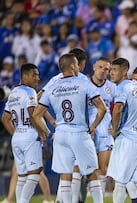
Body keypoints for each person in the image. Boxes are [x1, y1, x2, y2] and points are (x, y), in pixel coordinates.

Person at [32, 53, 106, 203]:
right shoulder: (83, 82)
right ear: (72, 66)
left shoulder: (52, 85)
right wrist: (93, 126)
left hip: (61, 134)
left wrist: (48, 131)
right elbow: (102, 108)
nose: (79, 67)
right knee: (92, 173)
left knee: (65, 175)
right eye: (77, 64)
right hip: (79, 133)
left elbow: (35, 115)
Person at [38, 48, 89, 203]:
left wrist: (51, 122)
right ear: (78, 64)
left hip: (60, 131)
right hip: (78, 130)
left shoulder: (55, 80)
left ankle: (61, 200)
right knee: (76, 170)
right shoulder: (82, 80)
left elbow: (38, 100)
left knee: (65, 170)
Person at [107, 58, 137, 203]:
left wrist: (114, 130)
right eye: (111, 70)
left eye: (115, 70)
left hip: (127, 139)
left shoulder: (122, 88)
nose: (111, 73)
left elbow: (118, 109)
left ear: (125, 71)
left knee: (120, 182)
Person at [1, 63, 44, 203]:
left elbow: (5, 119)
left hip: (18, 137)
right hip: (30, 135)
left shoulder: (13, 93)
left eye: (37, 75)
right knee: (35, 174)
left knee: (22, 176)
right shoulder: (30, 92)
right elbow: (33, 115)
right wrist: (42, 132)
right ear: (24, 76)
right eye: (34, 75)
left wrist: (16, 134)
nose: (37, 78)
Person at [89, 57, 116, 197]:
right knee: (85, 168)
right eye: (100, 67)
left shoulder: (112, 88)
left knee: (103, 168)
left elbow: (121, 109)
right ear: (94, 67)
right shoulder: (85, 84)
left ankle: (100, 197)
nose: (102, 71)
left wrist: (118, 126)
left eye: (106, 69)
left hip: (105, 131)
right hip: (88, 131)